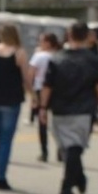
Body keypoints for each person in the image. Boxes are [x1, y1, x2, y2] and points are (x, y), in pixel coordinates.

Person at [43, 21, 98, 194]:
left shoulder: (57, 58)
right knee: (75, 147)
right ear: (86, 37)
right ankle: (73, 182)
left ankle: (73, 182)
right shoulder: (94, 60)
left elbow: (47, 85)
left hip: (59, 109)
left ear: (69, 35)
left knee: (69, 147)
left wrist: (43, 108)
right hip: (84, 109)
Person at [0, 26, 32, 191]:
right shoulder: (19, 52)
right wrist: (33, 95)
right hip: (12, 99)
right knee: (6, 138)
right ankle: (1, 175)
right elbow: (25, 77)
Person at [29, 31, 61, 162]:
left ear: (48, 43)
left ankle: (44, 152)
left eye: (41, 41)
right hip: (57, 90)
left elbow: (30, 74)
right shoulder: (59, 56)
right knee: (58, 122)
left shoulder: (39, 56)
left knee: (42, 122)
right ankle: (60, 150)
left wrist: (31, 93)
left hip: (40, 89)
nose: (39, 43)